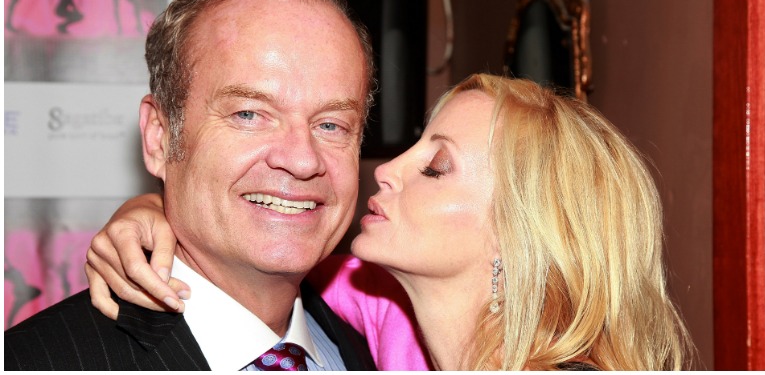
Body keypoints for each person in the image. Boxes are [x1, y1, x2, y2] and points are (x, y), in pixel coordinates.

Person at [85, 73, 697, 370]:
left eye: (436, 167)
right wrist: (150, 211)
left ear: (521, 233)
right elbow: (262, 248)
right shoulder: (374, 301)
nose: (386, 169)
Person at [4, 0, 382, 371]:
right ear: (159, 138)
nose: (302, 160)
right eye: (249, 114)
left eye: (331, 125)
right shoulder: (35, 362)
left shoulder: (379, 347)